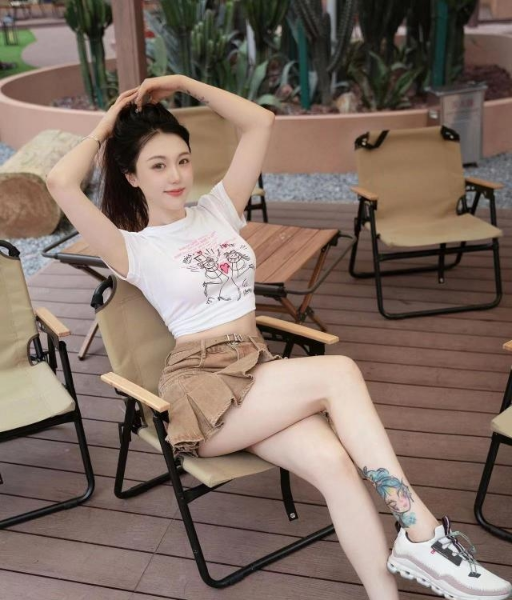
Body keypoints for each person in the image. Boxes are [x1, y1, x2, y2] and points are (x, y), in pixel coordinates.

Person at [46, 75, 511, 600]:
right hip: (204, 391)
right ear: (132, 177)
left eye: (182, 160)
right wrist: (108, 124)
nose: (175, 176)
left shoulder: (218, 210)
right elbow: (60, 182)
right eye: (157, 166)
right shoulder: (132, 248)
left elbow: (260, 122)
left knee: (336, 466)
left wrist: (181, 83)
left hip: (257, 373)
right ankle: (422, 533)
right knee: (339, 372)